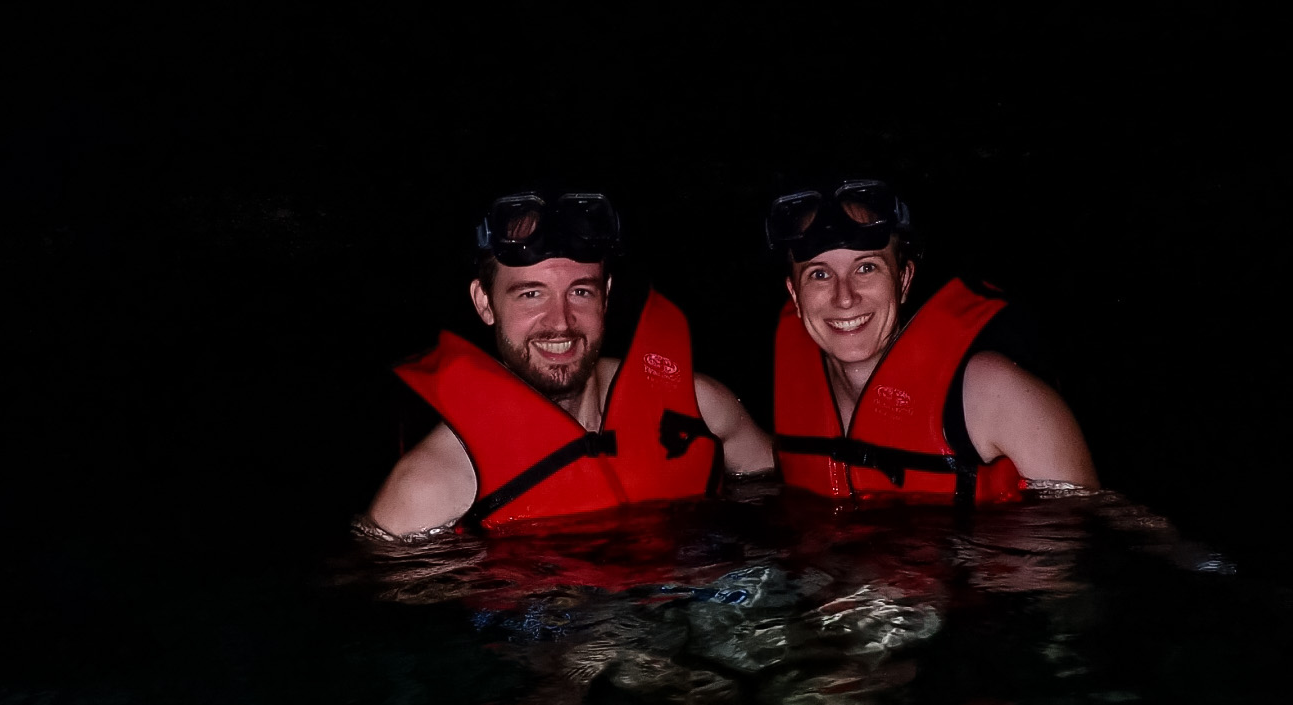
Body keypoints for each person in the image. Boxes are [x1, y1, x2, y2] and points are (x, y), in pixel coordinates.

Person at [366, 190, 773, 535]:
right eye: (531, 294)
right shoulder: (427, 487)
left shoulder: (702, 408)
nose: (560, 322)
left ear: (606, 296)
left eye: (580, 292)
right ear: (484, 302)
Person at [766, 179, 1097, 501]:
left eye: (866, 268)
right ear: (794, 294)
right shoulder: (788, 387)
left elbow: (1089, 533)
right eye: (819, 274)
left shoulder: (996, 394)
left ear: (904, 279)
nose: (845, 297)